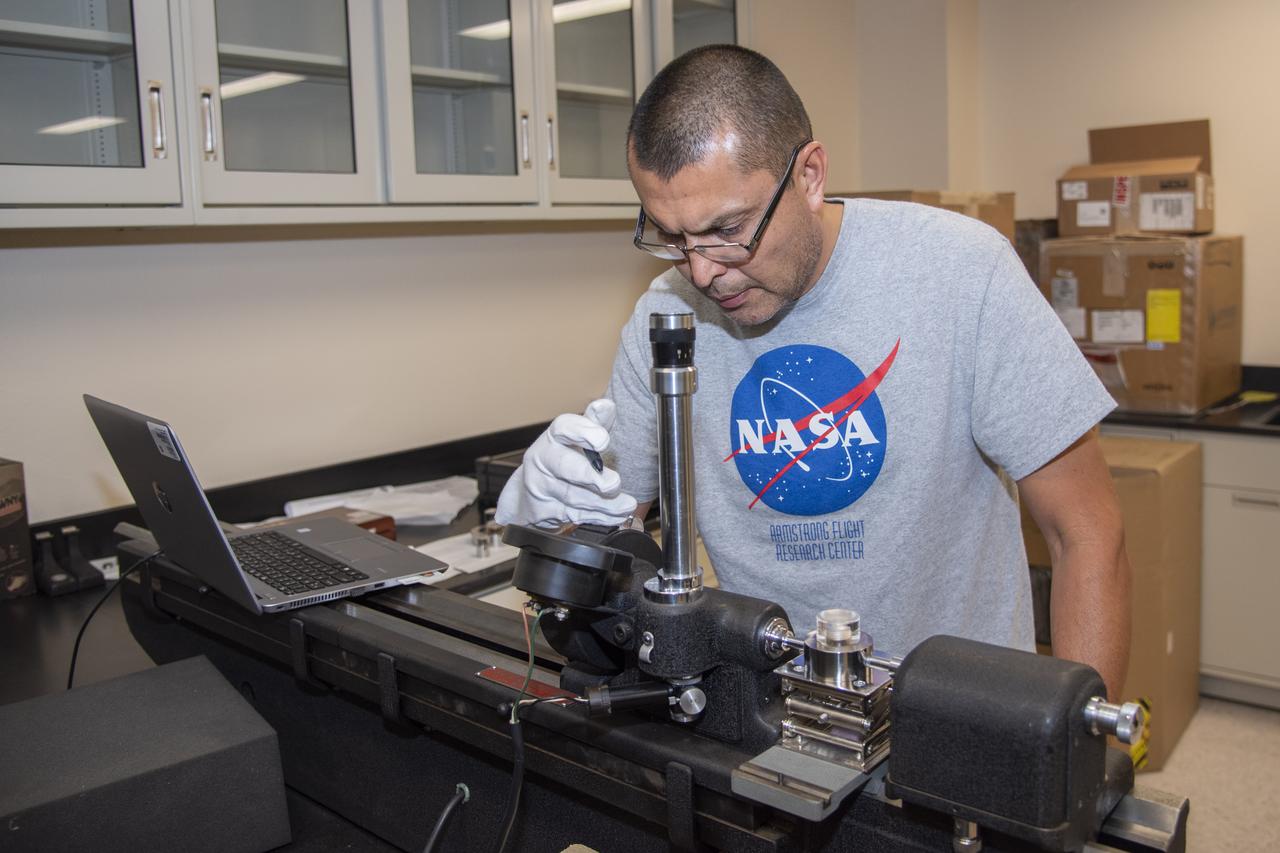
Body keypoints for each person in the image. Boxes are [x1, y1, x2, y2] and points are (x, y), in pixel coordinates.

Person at [497, 45, 1131, 700]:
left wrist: (1078, 757)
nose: (702, 270)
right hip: (764, 713)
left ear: (810, 175)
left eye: (727, 229)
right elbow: (609, 533)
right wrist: (543, 518)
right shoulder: (667, 317)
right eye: (670, 236)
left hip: (956, 711)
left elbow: (1085, 532)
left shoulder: (961, 273)